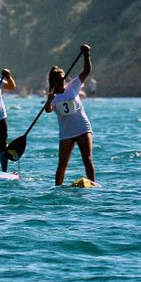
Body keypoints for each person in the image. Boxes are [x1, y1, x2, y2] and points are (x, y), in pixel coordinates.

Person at [44, 44, 94, 186]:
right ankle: (57, 188)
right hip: (66, 132)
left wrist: (86, 54)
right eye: (59, 79)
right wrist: (49, 100)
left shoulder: (73, 86)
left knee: (87, 159)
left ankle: (93, 185)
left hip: (82, 127)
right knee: (62, 164)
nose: (62, 81)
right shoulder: (53, 96)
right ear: (53, 81)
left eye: (63, 78)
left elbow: (87, 71)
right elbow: (48, 110)